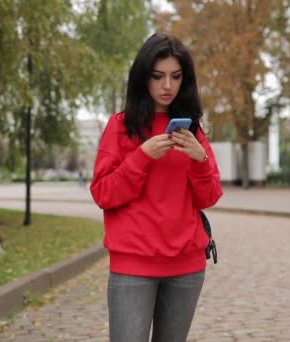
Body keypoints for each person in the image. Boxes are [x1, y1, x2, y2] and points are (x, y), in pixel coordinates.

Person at [89, 33, 223, 342]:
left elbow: (210, 196)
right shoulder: (120, 126)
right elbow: (103, 194)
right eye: (158, 76)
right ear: (142, 78)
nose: (167, 86)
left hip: (187, 267)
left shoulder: (191, 130)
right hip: (133, 265)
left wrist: (199, 159)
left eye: (176, 77)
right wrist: (142, 157)